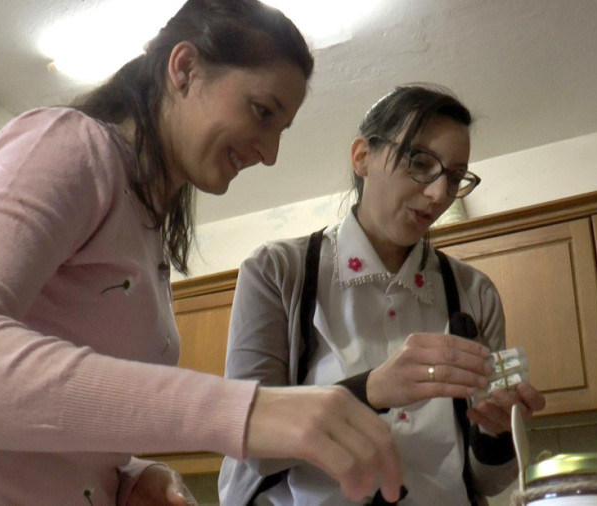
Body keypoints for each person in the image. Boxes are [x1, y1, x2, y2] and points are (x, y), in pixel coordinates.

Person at [0, 1, 404, 504]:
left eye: (280, 130)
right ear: (184, 68)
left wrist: (127, 474)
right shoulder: (73, 145)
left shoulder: (146, 228)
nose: (269, 153)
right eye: (262, 112)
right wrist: (243, 411)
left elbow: (49, 423)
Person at [219, 84, 547, 505]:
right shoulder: (277, 271)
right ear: (362, 157)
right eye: (420, 162)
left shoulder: (474, 292)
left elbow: (487, 482)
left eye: (453, 177)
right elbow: (248, 442)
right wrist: (371, 389)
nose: (438, 194)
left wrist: (495, 432)